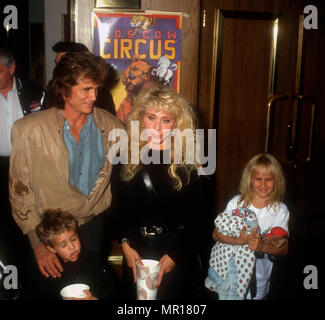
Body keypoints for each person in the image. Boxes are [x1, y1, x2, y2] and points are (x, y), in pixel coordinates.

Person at [9, 51, 123, 293]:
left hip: (92, 229)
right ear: (63, 89)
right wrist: (38, 243)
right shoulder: (29, 129)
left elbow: (143, 153)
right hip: (49, 233)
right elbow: (20, 191)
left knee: (90, 292)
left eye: (96, 89)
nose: (94, 97)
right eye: (86, 89)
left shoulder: (110, 124)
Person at [111, 85, 214, 300]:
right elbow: (116, 210)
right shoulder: (124, 155)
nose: (157, 127)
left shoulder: (191, 163)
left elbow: (202, 218)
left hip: (176, 251)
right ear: (141, 118)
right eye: (151, 117)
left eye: (165, 120)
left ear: (177, 123)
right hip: (136, 251)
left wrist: (176, 254)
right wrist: (124, 244)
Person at [205, 153, 289, 300]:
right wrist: (239, 241)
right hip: (228, 278)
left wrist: (262, 246)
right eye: (258, 179)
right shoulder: (236, 204)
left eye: (269, 180)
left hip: (260, 282)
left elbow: (284, 248)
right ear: (250, 180)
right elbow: (216, 234)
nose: (263, 185)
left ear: (277, 181)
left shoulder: (280, 210)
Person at [0, 48, 45, 298]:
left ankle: (31, 282)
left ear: (12, 68)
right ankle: (10, 286)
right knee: (4, 227)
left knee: (29, 222)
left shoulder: (33, 92)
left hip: (28, 166)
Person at [33, 210, 118, 300]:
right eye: (63, 245)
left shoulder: (93, 261)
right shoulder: (50, 271)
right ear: (51, 249)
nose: (72, 247)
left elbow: (110, 290)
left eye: (73, 239)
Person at [52, 41, 116, 115]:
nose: (93, 97)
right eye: (58, 64)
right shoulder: (53, 90)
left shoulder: (102, 97)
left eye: (65, 63)